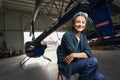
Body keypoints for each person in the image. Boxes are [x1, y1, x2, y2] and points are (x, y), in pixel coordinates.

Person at [57, 12, 105, 80]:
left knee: (100, 78)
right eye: (78, 22)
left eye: (83, 22)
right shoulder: (67, 35)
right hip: (68, 65)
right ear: (73, 23)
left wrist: (73, 55)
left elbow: (89, 53)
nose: (80, 24)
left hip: (80, 63)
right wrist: (82, 54)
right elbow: (81, 56)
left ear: (85, 25)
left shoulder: (83, 36)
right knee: (93, 62)